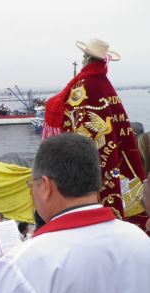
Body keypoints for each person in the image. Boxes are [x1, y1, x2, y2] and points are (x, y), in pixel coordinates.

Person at [0, 133, 150, 293]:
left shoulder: (24, 264)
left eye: (31, 185)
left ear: (45, 186)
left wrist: (3, 277)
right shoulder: (140, 239)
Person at [42, 39, 147, 233]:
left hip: (88, 158)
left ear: (86, 59)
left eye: (83, 58)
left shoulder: (82, 86)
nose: (82, 61)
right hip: (113, 156)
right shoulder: (106, 86)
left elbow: (72, 123)